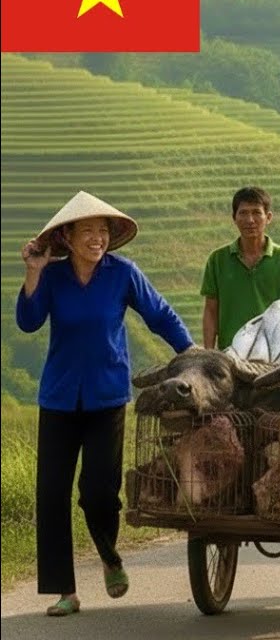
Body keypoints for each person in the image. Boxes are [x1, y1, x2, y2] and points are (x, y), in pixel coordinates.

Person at [16, 191, 194, 617]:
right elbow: (28, 321)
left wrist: (192, 357)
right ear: (67, 236)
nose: (97, 239)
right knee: (51, 494)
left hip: (107, 397)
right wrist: (32, 272)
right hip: (58, 398)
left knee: (98, 491)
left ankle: (110, 556)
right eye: (88, 231)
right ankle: (65, 591)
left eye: (103, 231)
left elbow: (161, 315)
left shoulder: (122, 273)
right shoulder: (54, 277)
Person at [200, 186, 280, 350]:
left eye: (256, 212)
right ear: (234, 218)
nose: (250, 220)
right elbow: (211, 311)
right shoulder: (217, 260)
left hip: (272, 353)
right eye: (243, 213)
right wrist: (209, 352)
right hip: (229, 353)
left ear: (268, 217)